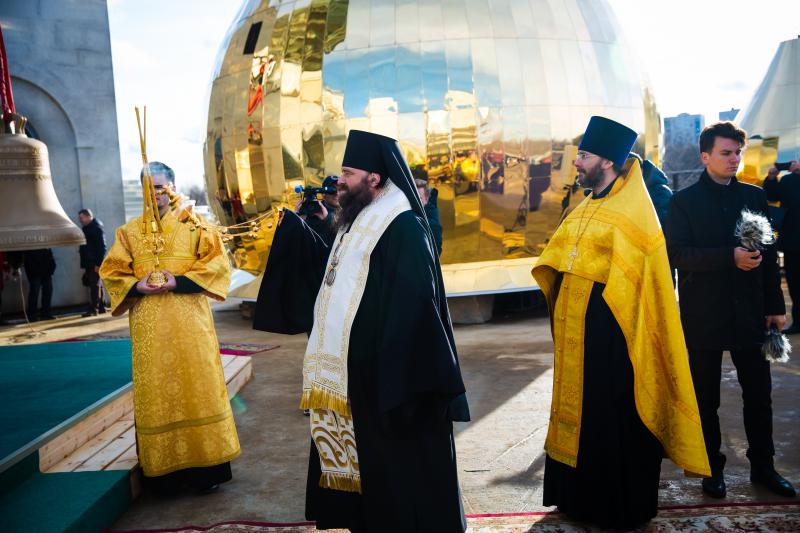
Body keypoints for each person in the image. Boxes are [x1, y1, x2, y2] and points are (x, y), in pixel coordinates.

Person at [253, 130, 470, 532]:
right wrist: (303, 233)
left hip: (392, 384)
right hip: (358, 379)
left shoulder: (402, 225)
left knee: (402, 484)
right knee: (373, 482)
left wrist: (386, 368)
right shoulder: (358, 220)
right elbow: (339, 281)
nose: (340, 181)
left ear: (375, 178)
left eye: (349, 173)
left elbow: (414, 307)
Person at [532, 116, 710, 530]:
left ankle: (614, 506)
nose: (576, 162)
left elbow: (644, 280)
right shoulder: (588, 205)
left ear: (608, 161)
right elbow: (562, 257)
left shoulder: (634, 212)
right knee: (581, 415)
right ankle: (574, 498)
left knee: (611, 416)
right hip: (579, 335)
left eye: (585, 155)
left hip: (617, 337)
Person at [666, 122, 795, 498]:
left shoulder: (754, 197)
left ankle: (764, 469)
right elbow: (677, 255)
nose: (734, 159)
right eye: (726, 153)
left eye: (737, 152)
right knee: (706, 398)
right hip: (703, 314)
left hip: (750, 313)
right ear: (705, 156)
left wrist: (775, 306)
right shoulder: (683, 202)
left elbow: (768, 257)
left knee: (759, 394)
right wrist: (730, 258)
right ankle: (711, 470)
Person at [100, 161, 239, 494]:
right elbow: (112, 272)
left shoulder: (196, 226)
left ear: (173, 187)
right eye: (148, 187)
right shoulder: (129, 232)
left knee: (198, 388)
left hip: (190, 323)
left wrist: (179, 280)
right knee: (157, 393)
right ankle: (164, 477)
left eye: (160, 187)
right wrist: (137, 286)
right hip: (150, 329)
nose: (155, 194)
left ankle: (207, 471)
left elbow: (218, 265)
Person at [764, 160, 800, 335]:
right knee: (795, 284)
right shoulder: (788, 181)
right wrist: (771, 178)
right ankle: (799, 321)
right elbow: (771, 196)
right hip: (793, 242)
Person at [8, 248, 56, 321]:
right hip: (34, 266)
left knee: (48, 290)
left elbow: (49, 250)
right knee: (35, 291)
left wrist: (52, 265)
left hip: (45, 265)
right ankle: (32, 315)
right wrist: (17, 265)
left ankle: (45, 313)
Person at [78, 208, 107, 316]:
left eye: (82, 218)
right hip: (90, 262)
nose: (80, 220)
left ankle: (93, 309)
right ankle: (102, 307)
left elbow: (102, 248)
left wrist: (98, 264)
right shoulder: (88, 228)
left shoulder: (96, 228)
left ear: (88, 216)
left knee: (94, 285)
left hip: (94, 263)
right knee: (97, 284)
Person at [296, 175, 339, 246]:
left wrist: (327, 218)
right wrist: (296, 218)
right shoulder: (314, 209)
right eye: (332, 190)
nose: (337, 193)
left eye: (340, 189)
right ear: (323, 194)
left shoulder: (349, 212)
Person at [415, 178, 443, 256]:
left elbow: (436, 253)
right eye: (414, 197)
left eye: (419, 198)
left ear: (426, 199)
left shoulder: (432, 224)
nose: (416, 201)